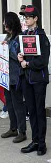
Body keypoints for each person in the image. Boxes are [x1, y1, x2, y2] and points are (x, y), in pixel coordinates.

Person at [17, 5, 50, 156]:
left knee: (39, 111)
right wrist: (20, 58)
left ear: (36, 18)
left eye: (29, 16)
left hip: (39, 80)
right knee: (31, 112)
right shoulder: (24, 36)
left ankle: (41, 143)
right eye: (25, 17)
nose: (26, 19)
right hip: (27, 79)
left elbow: (43, 61)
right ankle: (35, 141)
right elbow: (22, 55)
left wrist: (28, 64)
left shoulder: (42, 37)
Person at [1, 12, 27, 143]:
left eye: (6, 21)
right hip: (7, 77)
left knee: (18, 105)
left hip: (16, 77)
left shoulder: (19, 38)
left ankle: (22, 131)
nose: (4, 23)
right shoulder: (8, 37)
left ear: (11, 22)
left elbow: (19, 56)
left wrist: (6, 49)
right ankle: (13, 128)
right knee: (9, 104)